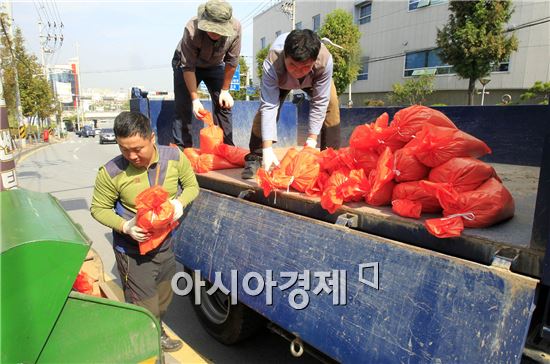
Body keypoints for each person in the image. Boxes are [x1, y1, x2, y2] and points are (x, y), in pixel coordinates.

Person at [90, 111, 199, 352]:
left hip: (165, 244)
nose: (131, 156)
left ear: (152, 138)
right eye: (124, 149)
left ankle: (154, 327)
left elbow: (192, 186)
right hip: (132, 251)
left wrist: (179, 203)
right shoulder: (111, 172)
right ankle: (145, 346)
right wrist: (125, 226)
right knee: (144, 304)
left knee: (164, 296)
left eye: (137, 148)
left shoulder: (174, 157)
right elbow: (98, 208)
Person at [241, 29, 341, 179]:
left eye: (305, 66)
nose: (298, 72)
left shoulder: (325, 60)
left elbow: (320, 102)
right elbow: (269, 105)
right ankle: (256, 156)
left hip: (313, 80)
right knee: (264, 111)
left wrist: (311, 141)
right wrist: (267, 148)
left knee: (331, 103)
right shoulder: (273, 61)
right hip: (281, 81)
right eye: (293, 65)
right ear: (285, 56)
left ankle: (330, 162)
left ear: (314, 60)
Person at [172, 0, 241, 149]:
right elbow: (188, 67)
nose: (215, 33)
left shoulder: (236, 28)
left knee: (224, 104)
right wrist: (195, 100)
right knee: (183, 106)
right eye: (211, 29)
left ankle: (226, 147)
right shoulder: (192, 28)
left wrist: (225, 90)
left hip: (215, 64)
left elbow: (232, 61)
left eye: (219, 30)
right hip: (186, 65)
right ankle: (182, 149)